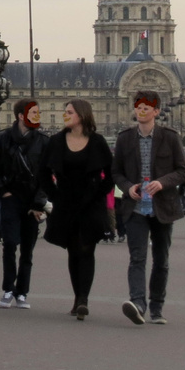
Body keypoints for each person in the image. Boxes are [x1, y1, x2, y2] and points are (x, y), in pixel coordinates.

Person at [112, 90, 185, 325]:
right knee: (137, 258)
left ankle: (157, 307)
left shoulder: (169, 137)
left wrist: (162, 182)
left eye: (147, 106)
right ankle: (138, 304)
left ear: (156, 111)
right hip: (135, 207)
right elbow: (116, 172)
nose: (141, 110)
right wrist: (128, 188)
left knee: (161, 260)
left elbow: (183, 171)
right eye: (138, 106)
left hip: (162, 206)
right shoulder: (125, 138)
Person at [39, 99, 114, 321]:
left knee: (87, 249)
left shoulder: (97, 142)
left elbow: (110, 175)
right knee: (73, 250)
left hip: (91, 203)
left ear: (81, 115)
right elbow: (42, 172)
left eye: (69, 112)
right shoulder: (56, 141)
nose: (65, 115)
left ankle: (83, 299)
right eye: (65, 111)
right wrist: (54, 195)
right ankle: (77, 298)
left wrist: (98, 195)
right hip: (66, 202)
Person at [0, 98, 50, 309]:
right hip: (11, 198)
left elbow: (47, 175)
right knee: (9, 244)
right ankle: (8, 289)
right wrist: (2, 191)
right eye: (34, 113)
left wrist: (39, 202)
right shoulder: (4, 138)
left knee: (27, 248)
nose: (38, 116)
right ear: (21, 116)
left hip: (33, 201)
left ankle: (22, 292)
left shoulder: (43, 140)